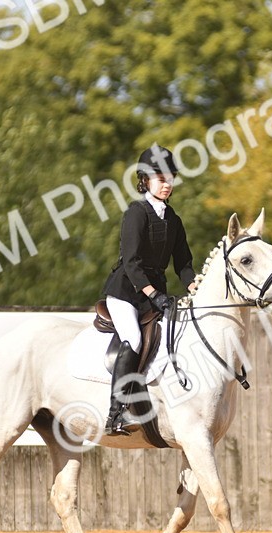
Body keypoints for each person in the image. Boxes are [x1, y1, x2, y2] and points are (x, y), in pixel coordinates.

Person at [100, 144, 195, 435]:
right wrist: (154, 294)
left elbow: (184, 263)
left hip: (156, 295)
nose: (166, 183)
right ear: (145, 180)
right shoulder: (136, 213)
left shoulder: (173, 219)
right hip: (127, 291)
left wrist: (194, 286)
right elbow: (132, 263)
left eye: (170, 178)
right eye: (160, 178)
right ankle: (115, 413)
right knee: (134, 338)